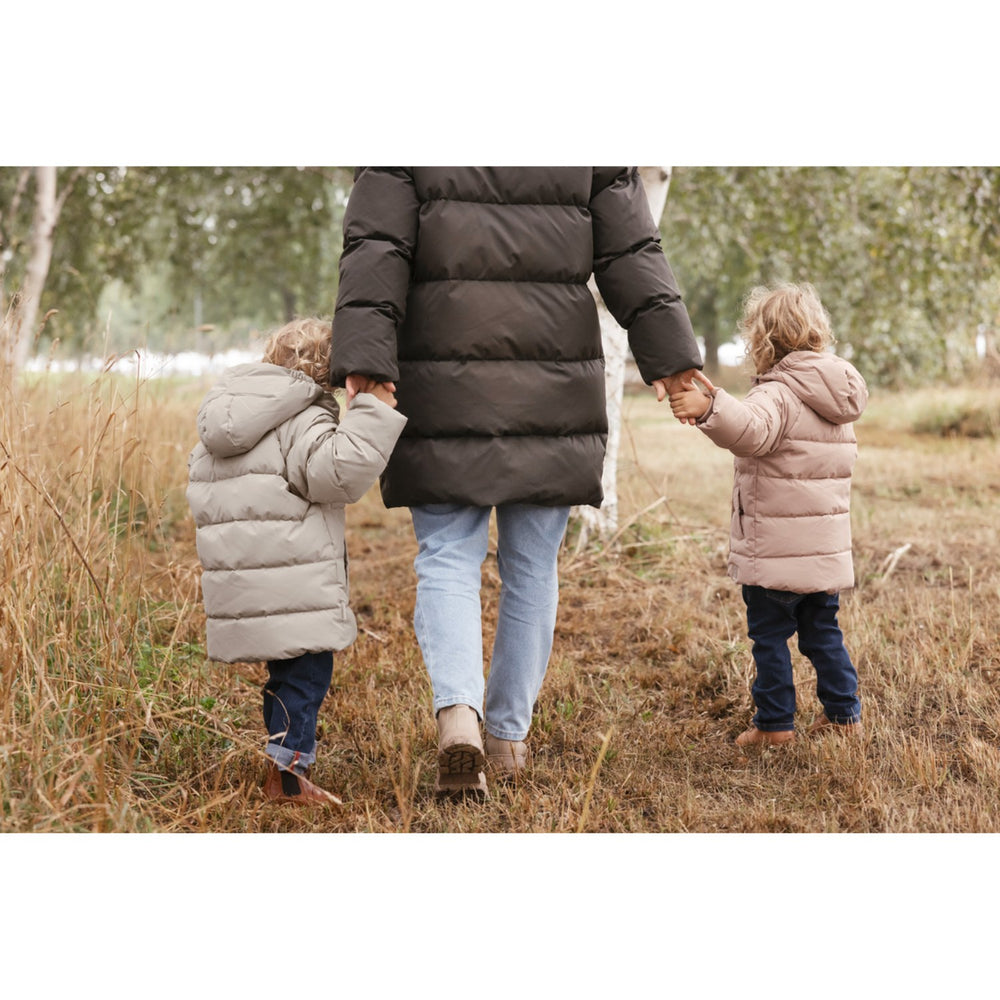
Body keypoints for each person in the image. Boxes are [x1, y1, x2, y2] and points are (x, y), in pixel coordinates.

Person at [331, 167, 703, 797]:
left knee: (447, 556)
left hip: (442, 372)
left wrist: (365, 360)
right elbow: (631, 252)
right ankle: (506, 739)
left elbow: (377, 247)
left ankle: (458, 717)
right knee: (532, 566)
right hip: (552, 377)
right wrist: (671, 357)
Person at [186, 317, 406, 804]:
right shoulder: (303, 414)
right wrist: (372, 410)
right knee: (306, 676)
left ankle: (280, 762)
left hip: (248, 576)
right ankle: (287, 776)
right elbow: (337, 475)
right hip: (294, 580)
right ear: (329, 373)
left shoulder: (228, 413)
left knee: (285, 676)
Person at [669, 283, 868, 747]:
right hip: (822, 555)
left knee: (770, 637)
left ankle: (774, 725)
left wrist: (709, 406)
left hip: (775, 554)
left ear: (762, 340)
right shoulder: (837, 393)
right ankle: (844, 715)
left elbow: (750, 431)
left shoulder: (779, 391)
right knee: (823, 634)